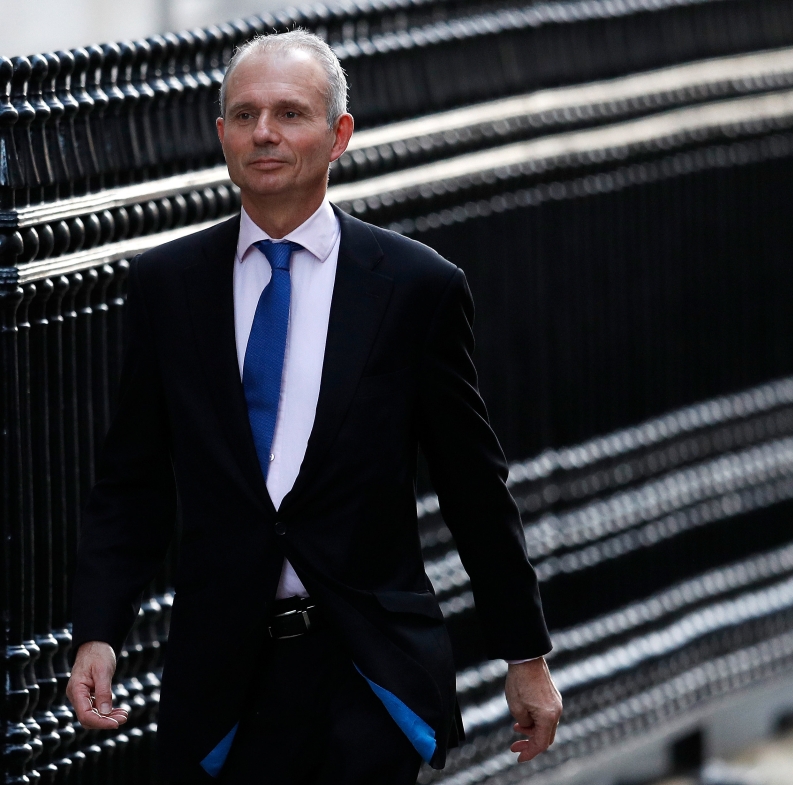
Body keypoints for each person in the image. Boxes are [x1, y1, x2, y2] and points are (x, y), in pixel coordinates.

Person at [66, 29, 562, 784]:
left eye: (290, 113)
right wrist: (98, 631)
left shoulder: (412, 286)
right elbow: (130, 479)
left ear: (339, 137)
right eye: (244, 114)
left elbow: (472, 483)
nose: (263, 132)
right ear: (222, 133)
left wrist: (525, 655)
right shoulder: (168, 285)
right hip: (224, 677)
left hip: (365, 666)